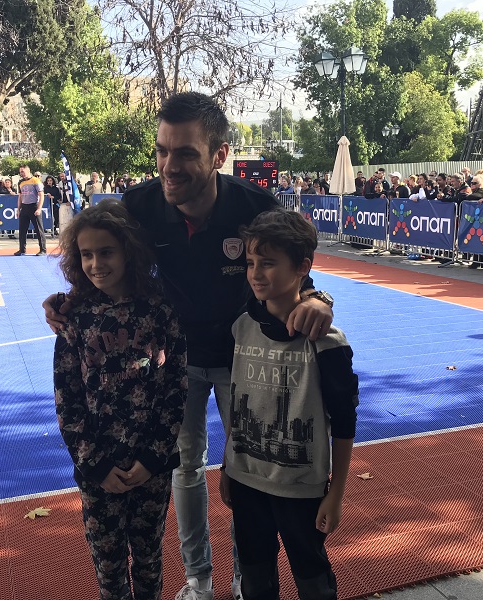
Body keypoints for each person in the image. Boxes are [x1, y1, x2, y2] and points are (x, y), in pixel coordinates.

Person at [43, 92, 334, 600]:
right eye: (161, 150)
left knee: (250, 473)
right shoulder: (139, 205)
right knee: (185, 466)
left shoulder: (254, 206)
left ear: (219, 155)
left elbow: (296, 270)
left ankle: (245, 578)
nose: (168, 166)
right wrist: (69, 300)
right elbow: (102, 257)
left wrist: (318, 299)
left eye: (184, 153)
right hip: (172, 366)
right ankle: (199, 577)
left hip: (246, 359)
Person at [219, 209, 357, 600]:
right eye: (250, 263)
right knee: (255, 574)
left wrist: (336, 493)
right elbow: (237, 403)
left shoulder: (328, 343)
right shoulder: (240, 328)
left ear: (302, 268)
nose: (256, 273)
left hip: (301, 488)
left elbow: (344, 421)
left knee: (312, 577)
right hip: (246, 480)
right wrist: (229, 467)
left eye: (268, 263)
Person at [54, 199, 187, 600]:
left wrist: (152, 458)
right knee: (109, 568)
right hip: (100, 468)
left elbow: (175, 388)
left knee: (149, 559)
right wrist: (94, 464)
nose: (96, 264)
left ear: (128, 251)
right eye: (86, 254)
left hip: (151, 466)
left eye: (106, 252)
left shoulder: (160, 310)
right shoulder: (74, 317)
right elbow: (67, 400)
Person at [14, 165, 47, 256]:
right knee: (22, 229)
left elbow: (41, 195)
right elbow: (20, 196)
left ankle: (43, 249)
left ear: (28, 171)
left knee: (39, 229)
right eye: (20, 172)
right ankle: (22, 249)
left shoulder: (35, 181)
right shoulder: (20, 182)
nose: (21, 174)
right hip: (24, 207)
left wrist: (39, 208)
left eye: (23, 171)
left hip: (34, 206)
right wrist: (18, 209)